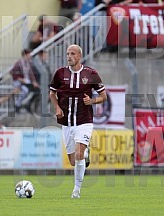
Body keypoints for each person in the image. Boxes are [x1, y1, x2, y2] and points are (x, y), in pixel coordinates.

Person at [50, 44, 107, 198]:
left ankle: (76, 190)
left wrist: (92, 101)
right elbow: (52, 93)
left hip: (84, 121)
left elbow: (103, 96)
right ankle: (85, 153)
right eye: (68, 53)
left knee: (79, 153)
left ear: (79, 56)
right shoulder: (60, 74)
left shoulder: (91, 74)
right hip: (66, 122)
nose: (69, 56)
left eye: (72, 53)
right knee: (73, 161)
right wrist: (57, 107)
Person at [9, 49, 39, 113]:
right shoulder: (18, 63)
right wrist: (21, 80)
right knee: (25, 90)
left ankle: (28, 103)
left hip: (27, 82)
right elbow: (12, 72)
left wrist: (34, 82)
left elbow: (31, 74)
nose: (30, 56)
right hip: (19, 82)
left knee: (38, 90)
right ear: (25, 55)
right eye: (28, 55)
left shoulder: (28, 64)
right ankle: (18, 104)